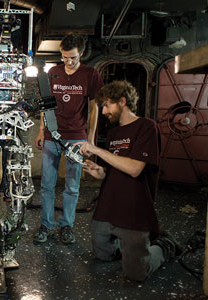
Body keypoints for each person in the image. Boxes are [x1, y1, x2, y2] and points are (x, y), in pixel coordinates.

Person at [76, 80, 183, 281]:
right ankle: (127, 247)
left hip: (133, 208)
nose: (104, 111)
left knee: (136, 273)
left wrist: (98, 150)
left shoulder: (146, 126)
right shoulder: (113, 133)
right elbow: (117, 167)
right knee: (103, 254)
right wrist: (101, 172)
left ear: (123, 101)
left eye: (107, 105)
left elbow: (134, 169)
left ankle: (165, 245)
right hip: (108, 206)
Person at [33, 34, 104, 244]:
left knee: (72, 186)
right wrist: (40, 131)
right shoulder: (53, 72)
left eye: (72, 57)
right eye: (64, 57)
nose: (68, 61)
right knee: (47, 184)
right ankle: (46, 225)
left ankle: (66, 226)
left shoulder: (90, 74)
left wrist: (89, 139)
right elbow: (46, 105)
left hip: (76, 138)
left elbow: (94, 108)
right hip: (51, 136)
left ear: (81, 53)